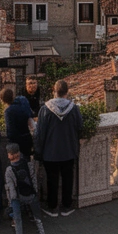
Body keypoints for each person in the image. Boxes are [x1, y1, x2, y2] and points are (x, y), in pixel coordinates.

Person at [33, 80, 81, 218]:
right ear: (67, 92)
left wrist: (38, 151)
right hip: (69, 150)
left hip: (50, 152)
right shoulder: (74, 109)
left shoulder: (45, 109)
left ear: (54, 91)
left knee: (52, 180)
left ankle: (52, 207)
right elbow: (79, 126)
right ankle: (66, 206)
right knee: (68, 179)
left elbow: (39, 133)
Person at [4, 143, 46, 234]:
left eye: (9, 153)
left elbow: (10, 187)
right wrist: (35, 192)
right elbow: (33, 179)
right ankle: (41, 230)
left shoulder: (9, 170)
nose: (7, 155)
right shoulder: (28, 164)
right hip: (30, 194)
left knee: (17, 218)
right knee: (37, 216)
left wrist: (11, 201)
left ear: (13, 155)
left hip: (17, 197)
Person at [2, 87, 35, 161]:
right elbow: (30, 115)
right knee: (27, 163)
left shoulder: (9, 111)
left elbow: (11, 131)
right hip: (27, 138)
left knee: (19, 165)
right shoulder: (23, 101)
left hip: (18, 142)